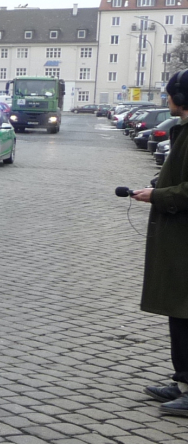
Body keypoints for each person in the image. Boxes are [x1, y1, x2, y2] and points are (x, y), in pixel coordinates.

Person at [133, 70, 188, 416]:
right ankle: (182, 379)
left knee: (185, 313)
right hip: (177, 239)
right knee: (178, 313)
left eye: (169, 94)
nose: (166, 99)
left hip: (184, 240)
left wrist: (157, 194)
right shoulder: (182, 131)